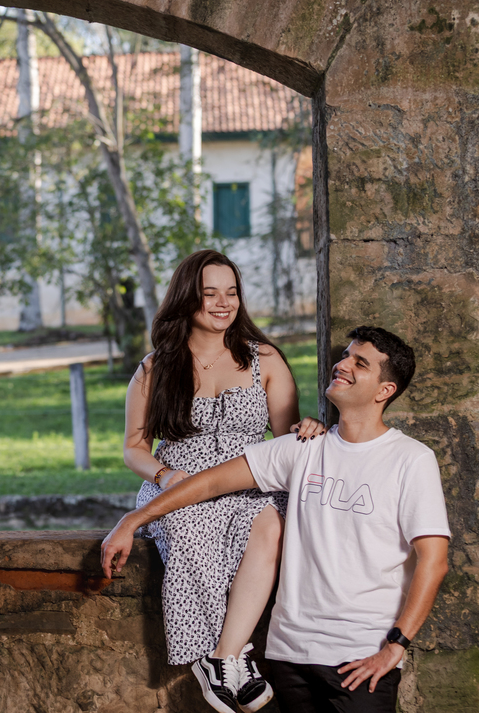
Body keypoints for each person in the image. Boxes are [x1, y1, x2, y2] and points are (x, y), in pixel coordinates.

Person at [103, 326, 451, 713]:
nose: (343, 364)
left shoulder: (410, 459)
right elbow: (207, 484)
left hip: (360, 659)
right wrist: (132, 521)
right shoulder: (301, 449)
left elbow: (434, 562)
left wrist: (395, 647)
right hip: (290, 655)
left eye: (360, 362)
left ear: (385, 390)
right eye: (346, 355)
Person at [123, 250, 324, 713]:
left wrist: (307, 427)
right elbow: (134, 447)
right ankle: (234, 663)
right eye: (209, 293)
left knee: (271, 524)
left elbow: (285, 435)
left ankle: (223, 656)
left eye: (231, 292)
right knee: (188, 527)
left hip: (248, 480)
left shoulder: (265, 360)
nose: (223, 303)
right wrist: (164, 473)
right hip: (180, 483)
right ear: (187, 299)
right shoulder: (154, 368)